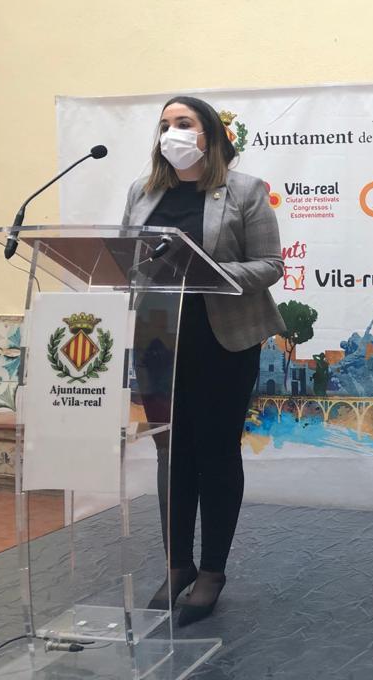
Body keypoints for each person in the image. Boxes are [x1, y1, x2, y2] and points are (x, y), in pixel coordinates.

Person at [123, 95, 285, 626]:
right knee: (170, 453)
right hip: (157, 337)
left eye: (183, 122)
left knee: (214, 453)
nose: (171, 132)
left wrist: (210, 273)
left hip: (223, 340)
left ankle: (212, 569)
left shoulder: (245, 190)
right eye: (164, 124)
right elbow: (127, 257)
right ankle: (178, 565)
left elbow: (270, 265)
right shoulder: (143, 192)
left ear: (208, 133)